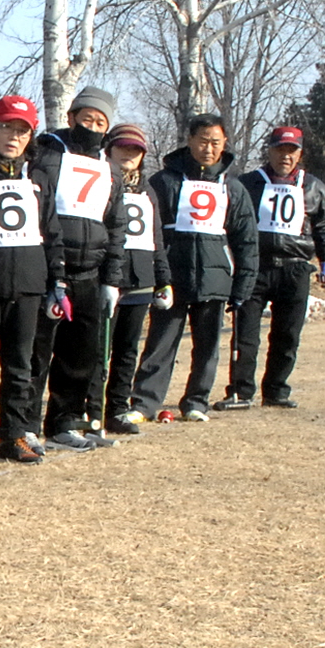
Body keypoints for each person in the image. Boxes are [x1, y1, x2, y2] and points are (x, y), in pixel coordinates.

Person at [129, 114, 259, 422]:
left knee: (207, 347)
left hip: (215, 279)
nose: (208, 148)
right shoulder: (163, 182)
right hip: (171, 278)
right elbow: (148, 230)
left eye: (215, 142)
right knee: (159, 344)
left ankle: (196, 401)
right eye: (203, 140)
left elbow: (246, 240)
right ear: (189, 140)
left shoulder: (234, 188)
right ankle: (144, 403)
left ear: (224, 143)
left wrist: (243, 285)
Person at [0, 96, 63, 466]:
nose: (12, 136)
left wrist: (58, 280)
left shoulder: (37, 177)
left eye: (21, 130)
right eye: (5, 127)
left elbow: (51, 230)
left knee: (22, 366)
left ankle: (15, 434)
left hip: (30, 283)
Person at [28, 86, 126, 451]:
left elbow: (116, 226)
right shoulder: (47, 156)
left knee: (80, 355)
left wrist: (111, 279)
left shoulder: (110, 168)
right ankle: (25, 425)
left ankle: (64, 421)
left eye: (101, 122)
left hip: (91, 271)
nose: (93, 127)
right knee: (38, 352)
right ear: (71, 118)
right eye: (87, 119)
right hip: (50, 269)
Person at [215, 125, 325, 411]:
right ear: (269, 151)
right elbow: (231, 223)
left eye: (291, 151)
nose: (285, 156)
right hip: (256, 268)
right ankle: (241, 391)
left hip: (295, 269)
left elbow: (323, 227)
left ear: (299, 154)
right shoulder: (247, 183)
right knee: (245, 335)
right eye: (280, 149)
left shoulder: (314, 186)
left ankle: (277, 390)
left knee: (288, 335)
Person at [102, 123, 172, 434]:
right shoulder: (100, 180)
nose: (128, 154)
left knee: (127, 351)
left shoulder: (148, 189)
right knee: (98, 350)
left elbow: (156, 236)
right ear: (109, 150)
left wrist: (163, 279)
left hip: (141, 278)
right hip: (108, 278)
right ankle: (89, 409)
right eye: (123, 148)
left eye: (135, 150)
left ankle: (117, 408)